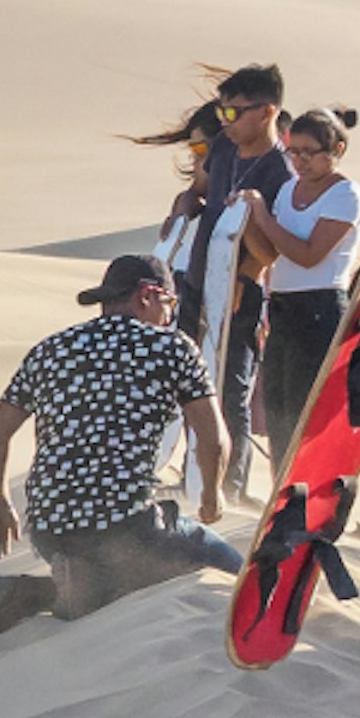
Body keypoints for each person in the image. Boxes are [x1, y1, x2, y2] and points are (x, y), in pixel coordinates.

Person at [0, 252, 237, 641]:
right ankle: (65, 590)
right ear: (146, 295)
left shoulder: (50, 350)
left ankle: (61, 589)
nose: (169, 315)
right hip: (128, 526)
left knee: (101, 577)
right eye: (168, 303)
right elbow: (213, 438)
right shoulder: (172, 347)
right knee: (231, 572)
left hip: (48, 526)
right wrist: (211, 496)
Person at [135, 65, 289, 493]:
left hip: (239, 296)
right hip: (195, 284)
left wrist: (243, 276)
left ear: (267, 112)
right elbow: (200, 188)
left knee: (227, 392)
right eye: (223, 113)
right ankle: (188, 474)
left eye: (234, 113)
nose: (227, 122)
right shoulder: (223, 148)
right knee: (184, 384)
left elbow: (270, 251)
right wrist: (184, 203)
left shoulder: (281, 173)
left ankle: (227, 487)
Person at [244, 107, 360, 469]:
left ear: (337, 150)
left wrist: (263, 216)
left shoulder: (346, 195)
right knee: (277, 407)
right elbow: (272, 254)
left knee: (303, 411)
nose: (299, 161)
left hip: (320, 309)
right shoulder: (287, 189)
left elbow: (309, 254)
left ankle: (304, 495)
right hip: (282, 307)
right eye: (293, 151)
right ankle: (281, 493)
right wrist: (249, 220)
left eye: (309, 152)